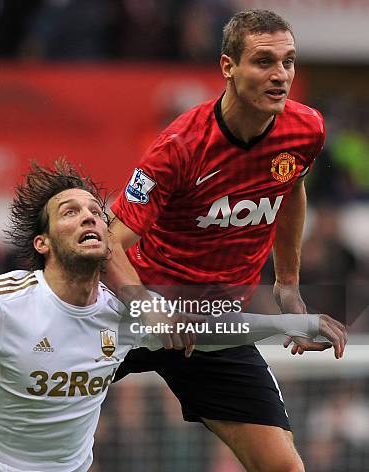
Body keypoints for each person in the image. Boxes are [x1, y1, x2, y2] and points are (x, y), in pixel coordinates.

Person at [0, 160, 344, 471]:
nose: (91, 218)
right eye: (70, 212)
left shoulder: (122, 316)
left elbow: (220, 331)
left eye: (97, 211)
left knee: (12, 391)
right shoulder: (1, 302)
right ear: (44, 243)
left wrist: (298, 324)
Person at [103, 9, 347, 472]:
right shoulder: (179, 146)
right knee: (29, 421)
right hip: (132, 315)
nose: (281, 76)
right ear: (227, 67)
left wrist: (288, 285)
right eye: (264, 62)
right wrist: (147, 306)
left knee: (284, 468)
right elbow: (111, 241)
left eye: (289, 62)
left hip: (215, 326)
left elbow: (291, 187)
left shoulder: (306, 128)